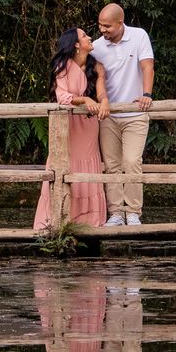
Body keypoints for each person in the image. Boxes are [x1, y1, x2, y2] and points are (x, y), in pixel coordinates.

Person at [33, 28, 108, 230]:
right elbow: (62, 96)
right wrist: (84, 99)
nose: (89, 38)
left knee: (87, 163)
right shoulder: (62, 67)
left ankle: (87, 221)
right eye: (84, 36)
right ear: (75, 44)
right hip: (67, 124)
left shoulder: (97, 67)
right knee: (66, 162)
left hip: (89, 125)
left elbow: (101, 93)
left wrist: (104, 101)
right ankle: (56, 218)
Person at [91, 4, 154, 226]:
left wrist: (146, 94)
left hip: (135, 113)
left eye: (107, 26)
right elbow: (97, 78)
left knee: (132, 161)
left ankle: (133, 211)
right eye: (100, 25)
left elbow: (147, 66)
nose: (103, 30)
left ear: (120, 22)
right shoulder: (97, 47)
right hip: (109, 115)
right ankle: (116, 212)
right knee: (111, 164)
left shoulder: (139, 36)